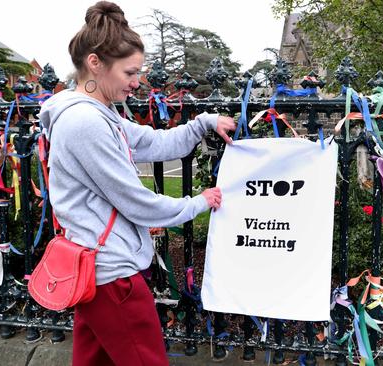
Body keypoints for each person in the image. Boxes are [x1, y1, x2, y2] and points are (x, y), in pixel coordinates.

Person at [38, 2, 235, 365]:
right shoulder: (85, 122)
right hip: (112, 277)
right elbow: (136, 201)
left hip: (94, 269)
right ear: (95, 63)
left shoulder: (97, 112)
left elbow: (153, 143)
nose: (137, 81)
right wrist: (200, 201)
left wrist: (203, 122)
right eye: (130, 72)